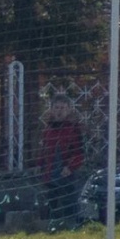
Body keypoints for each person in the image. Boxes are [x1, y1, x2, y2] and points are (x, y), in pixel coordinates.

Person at [40, 93, 85, 229]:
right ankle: (51, 226)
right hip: (50, 173)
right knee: (51, 201)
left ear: (69, 110)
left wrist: (70, 167)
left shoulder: (73, 129)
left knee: (69, 201)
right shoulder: (48, 129)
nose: (59, 111)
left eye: (63, 108)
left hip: (67, 174)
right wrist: (40, 167)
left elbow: (80, 153)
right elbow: (44, 152)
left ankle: (72, 226)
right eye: (57, 108)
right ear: (52, 110)